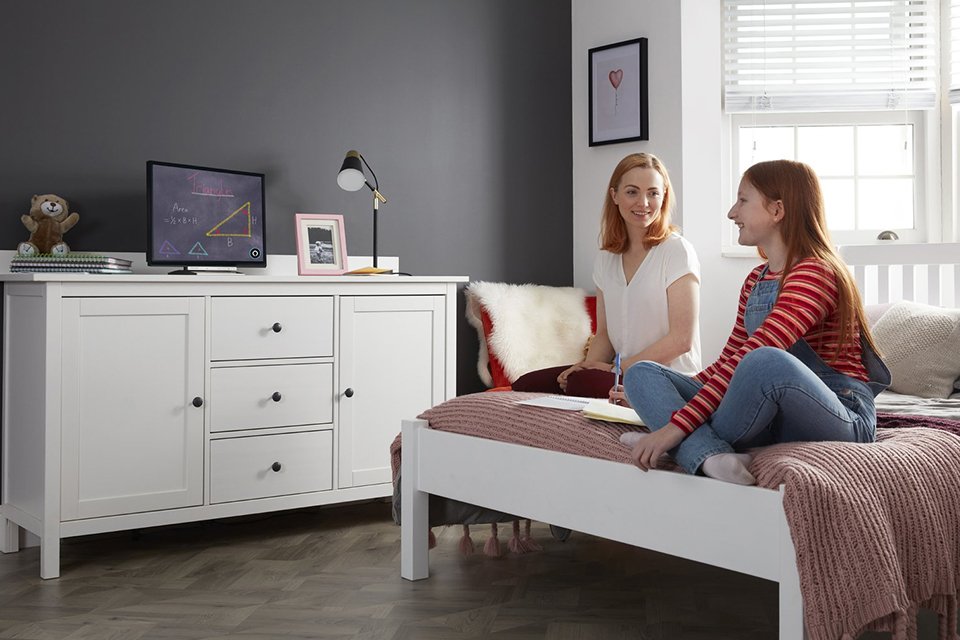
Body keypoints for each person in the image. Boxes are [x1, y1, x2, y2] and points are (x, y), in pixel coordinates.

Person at [619, 159, 890, 485]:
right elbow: (727, 363)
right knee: (641, 373)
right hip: (774, 415)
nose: (732, 213)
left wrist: (672, 428)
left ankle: (687, 447)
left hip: (840, 414)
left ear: (777, 210)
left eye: (743, 200)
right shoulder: (755, 280)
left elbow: (754, 356)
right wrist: (667, 392)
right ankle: (708, 453)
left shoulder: (816, 272)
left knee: (763, 360)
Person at [511, 152, 701, 398]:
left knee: (581, 384)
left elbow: (681, 340)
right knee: (527, 383)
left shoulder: (677, 251)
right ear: (615, 196)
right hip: (621, 372)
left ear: (664, 196)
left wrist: (615, 369)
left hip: (667, 376)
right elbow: (605, 335)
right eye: (632, 192)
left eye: (653, 193)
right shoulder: (606, 258)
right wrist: (586, 366)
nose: (643, 202)